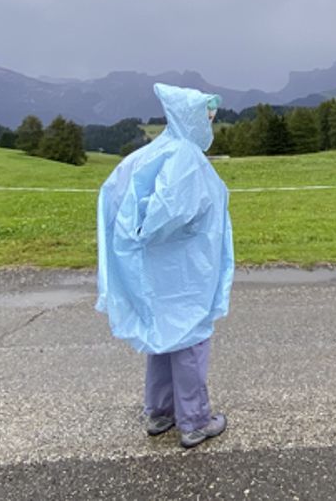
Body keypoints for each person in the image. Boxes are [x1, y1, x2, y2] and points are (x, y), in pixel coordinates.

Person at [95, 83, 235, 449]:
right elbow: (166, 213)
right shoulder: (185, 158)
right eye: (207, 113)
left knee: (161, 336)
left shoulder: (151, 154)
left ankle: (160, 413)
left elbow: (116, 201)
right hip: (185, 270)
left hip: (159, 272)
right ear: (190, 115)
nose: (211, 120)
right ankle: (194, 422)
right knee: (189, 339)